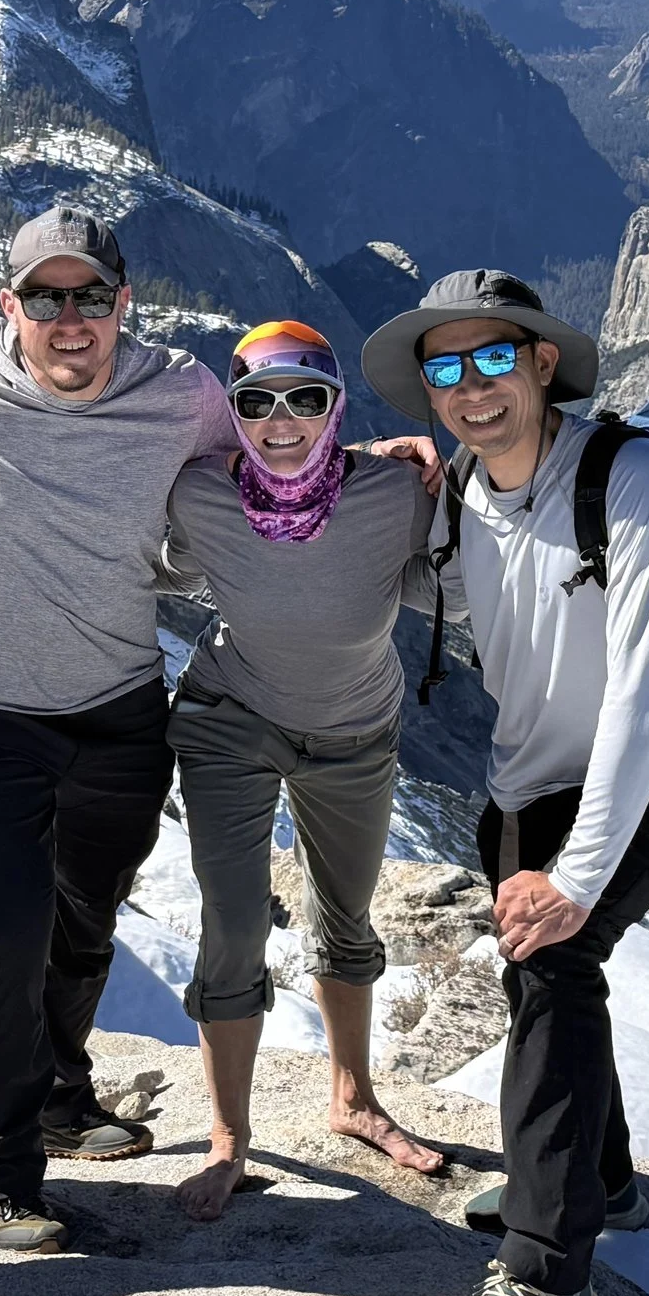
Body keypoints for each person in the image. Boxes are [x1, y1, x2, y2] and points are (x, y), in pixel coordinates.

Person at [360, 269, 649, 1296]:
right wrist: (379, 503)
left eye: (491, 360)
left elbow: (645, 687)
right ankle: (600, 1177)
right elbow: (466, 600)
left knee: (557, 963)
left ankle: (546, 1271)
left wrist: (575, 876)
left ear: (540, 364)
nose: (469, 387)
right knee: (542, 975)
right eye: (445, 366)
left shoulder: (634, 476)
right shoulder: (466, 486)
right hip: (524, 782)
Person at [0, 205, 236, 1254]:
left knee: (86, 922)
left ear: (122, 303)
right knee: (6, 933)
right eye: (45, 297)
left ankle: (61, 1095)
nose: (68, 319)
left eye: (89, 297)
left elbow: (263, 474)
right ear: (9, 304)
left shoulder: (182, 392)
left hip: (121, 708)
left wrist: (377, 468)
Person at [158, 321, 449, 1222]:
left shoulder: (398, 493)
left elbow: (472, 571)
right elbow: (148, 549)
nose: (281, 421)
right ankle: (229, 1137)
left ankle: (352, 1097)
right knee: (235, 924)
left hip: (356, 730)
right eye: (256, 402)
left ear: (336, 407)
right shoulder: (199, 493)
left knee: (348, 915)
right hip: (228, 722)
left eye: (305, 399)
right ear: (233, 415)